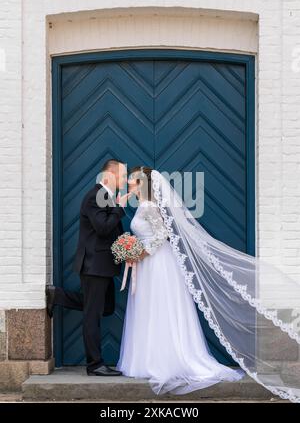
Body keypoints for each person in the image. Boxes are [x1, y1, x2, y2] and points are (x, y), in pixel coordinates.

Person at [116, 166, 246, 395]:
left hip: (157, 262)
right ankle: (148, 358)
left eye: (132, 182)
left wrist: (140, 253)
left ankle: (163, 359)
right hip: (149, 263)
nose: (129, 185)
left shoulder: (149, 206)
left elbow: (162, 234)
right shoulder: (144, 205)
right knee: (149, 308)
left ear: (141, 184)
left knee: (158, 307)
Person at [46, 159, 131, 376]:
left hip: (103, 265)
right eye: (122, 175)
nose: (124, 179)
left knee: (106, 307)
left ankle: (59, 296)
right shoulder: (96, 196)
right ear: (108, 176)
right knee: (92, 314)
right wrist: (119, 209)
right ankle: (95, 365)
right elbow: (103, 228)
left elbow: (108, 231)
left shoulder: (106, 197)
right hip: (95, 265)